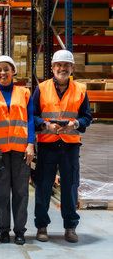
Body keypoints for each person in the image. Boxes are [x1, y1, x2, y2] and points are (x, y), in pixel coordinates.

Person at [33, 49, 92, 243]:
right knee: (43, 186)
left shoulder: (81, 90)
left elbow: (86, 117)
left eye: (66, 65)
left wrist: (75, 124)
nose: (62, 68)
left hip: (70, 145)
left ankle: (70, 226)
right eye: (58, 65)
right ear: (52, 67)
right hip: (47, 145)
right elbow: (31, 115)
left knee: (70, 187)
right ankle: (42, 226)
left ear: (72, 68)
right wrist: (45, 124)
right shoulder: (41, 89)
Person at [0, 55, 35, 245]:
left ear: (13, 71)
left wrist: (31, 144)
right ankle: (4, 230)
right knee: (2, 193)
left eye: (6, 69)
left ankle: (20, 231)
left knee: (21, 192)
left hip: (21, 150)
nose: (3, 72)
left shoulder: (24, 93)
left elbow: (30, 119)